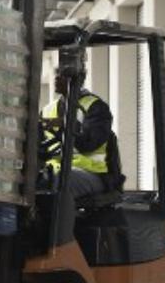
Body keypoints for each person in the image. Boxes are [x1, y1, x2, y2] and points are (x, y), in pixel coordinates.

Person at [40, 56, 122, 200]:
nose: (57, 78)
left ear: (79, 79)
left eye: (64, 75)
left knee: (58, 182)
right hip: (56, 169)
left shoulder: (95, 107)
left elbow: (89, 143)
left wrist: (66, 125)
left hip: (91, 173)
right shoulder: (48, 110)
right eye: (57, 73)